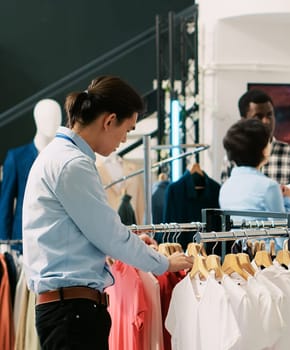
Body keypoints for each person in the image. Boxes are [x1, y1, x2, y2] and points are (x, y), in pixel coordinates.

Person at [21, 76, 194, 349]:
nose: (124, 139)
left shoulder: (60, 156)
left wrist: (129, 246)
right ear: (109, 120)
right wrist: (163, 264)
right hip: (72, 312)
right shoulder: (72, 164)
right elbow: (109, 235)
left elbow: (90, 232)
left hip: (68, 309)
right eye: (127, 129)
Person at [220, 89, 290, 198]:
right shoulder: (232, 158)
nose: (266, 121)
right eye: (258, 116)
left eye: (269, 115)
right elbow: (226, 201)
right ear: (244, 120)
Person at [0, 99, 61, 250]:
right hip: (24, 241)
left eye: (57, 118)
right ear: (37, 119)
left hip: (58, 241)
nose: (53, 123)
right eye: (47, 118)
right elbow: (6, 203)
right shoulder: (16, 157)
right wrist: (3, 243)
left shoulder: (64, 157)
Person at [219, 118, 290, 216]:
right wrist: (289, 200)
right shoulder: (269, 187)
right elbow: (282, 227)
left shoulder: (225, 188)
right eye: (269, 141)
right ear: (263, 150)